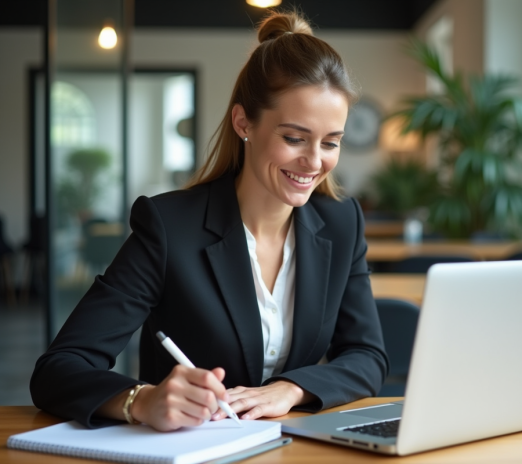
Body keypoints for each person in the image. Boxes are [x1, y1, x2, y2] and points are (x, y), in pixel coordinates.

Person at [30, 11, 388, 431]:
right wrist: (141, 401)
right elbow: (58, 368)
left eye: (330, 142)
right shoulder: (169, 226)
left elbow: (367, 356)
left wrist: (292, 388)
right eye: (294, 138)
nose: (314, 161)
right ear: (243, 123)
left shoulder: (342, 222)